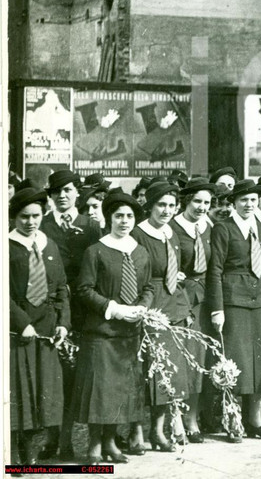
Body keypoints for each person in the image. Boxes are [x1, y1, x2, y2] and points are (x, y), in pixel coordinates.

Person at [73, 193, 154, 464]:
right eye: (119, 216)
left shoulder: (140, 251)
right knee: (101, 391)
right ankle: (95, 444)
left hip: (128, 333)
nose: (124, 221)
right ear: (109, 218)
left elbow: (148, 287)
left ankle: (110, 441)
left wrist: (141, 307)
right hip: (102, 331)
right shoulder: (96, 251)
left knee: (120, 390)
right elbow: (84, 289)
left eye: (129, 216)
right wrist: (113, 307)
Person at [207, 179, 261, 442]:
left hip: (259, 300)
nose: (249, 204)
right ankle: (233, 420)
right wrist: (217, 309)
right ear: (234, 202)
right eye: (243, 200)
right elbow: (215, 270)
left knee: (260, 360)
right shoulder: (223, 228)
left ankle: (255, 420)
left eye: (253, 200)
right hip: (233, 300)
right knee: (235, 362)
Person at [9, 187, 70, 465]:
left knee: (42, 394)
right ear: (14, 217)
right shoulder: (6, 246)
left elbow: (61, 288)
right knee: (19, 392)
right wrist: (21, 322)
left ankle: (32, 450)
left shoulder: (49, 245)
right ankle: (14, 453)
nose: (30, 222)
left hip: (45, 332)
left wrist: (63, 324)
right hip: (16, 332)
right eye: (24, 216)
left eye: (36, 216)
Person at [132, 181, 189, 452]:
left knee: (167, 370)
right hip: (149, 303)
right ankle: (136, 432)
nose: (166, 211)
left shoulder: (171, 233)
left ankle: (158, 430)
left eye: (171, 205)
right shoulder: (138, 233)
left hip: (172, 304)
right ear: (150, 206)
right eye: (161, 205)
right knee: (144, 371)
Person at [170, 177, 215, 444]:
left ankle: (192, 418)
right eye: (197, 201)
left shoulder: (210, 226)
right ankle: (175, 418)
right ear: (187, 200)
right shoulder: (173, 227)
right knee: (180, 359)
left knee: (199, 359)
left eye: (207, 202)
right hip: (181, 298)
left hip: (205, 300)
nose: (202, 207)